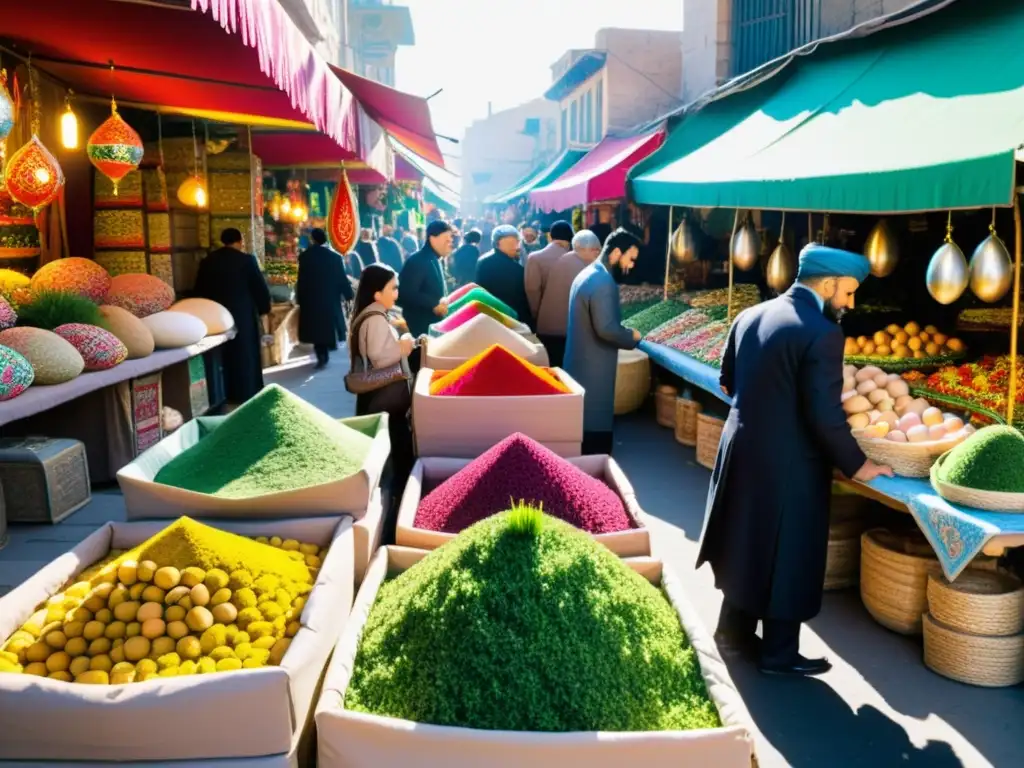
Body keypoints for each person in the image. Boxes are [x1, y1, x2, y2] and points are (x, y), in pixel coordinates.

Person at [698, 244, 893, 678]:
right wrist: (859, 466)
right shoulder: (822, 333)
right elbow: (824, 416)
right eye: (847, 292)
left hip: (742, 448)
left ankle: (731, 635)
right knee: (788, 550)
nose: (850, 303)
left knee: (747, 542)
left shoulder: (751, 315)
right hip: (789, 462)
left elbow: (728, 383)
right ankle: (779, 654)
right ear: (827, 284)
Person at [563, 228, 642, 455]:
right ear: (617, 252)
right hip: (594, 369)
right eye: (631, 258)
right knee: (595, 439)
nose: (632, 265)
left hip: (581, 363)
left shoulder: (588, 273)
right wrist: (632, 337)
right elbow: (606, 328)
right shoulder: (603, 281)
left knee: (583, 429)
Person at [349, 263, 416, 496]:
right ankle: (398, 492)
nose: (397, 293)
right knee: (396, 443)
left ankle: (396, 487)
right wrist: (405, 345)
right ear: (377, 293)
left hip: (378, 396)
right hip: (385, 396)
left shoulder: (371, 314)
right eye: (393, 288)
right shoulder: (375, 318)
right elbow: (380, 357)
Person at [193, 228, 272, 405]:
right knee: (244, 355)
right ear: (239, 241)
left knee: (220, 355)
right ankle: (245, 393)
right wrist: (264, 307)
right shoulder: (246, 261)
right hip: (241, 315)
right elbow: (259, 288)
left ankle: (220, 394)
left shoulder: (208, 261)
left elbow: (199, 289)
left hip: (214, 316)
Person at [536, 229, 601, 368]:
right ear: (585, 249)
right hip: (564, 332)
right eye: (595, 250)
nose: (597, 254)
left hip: (547, 328)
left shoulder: (565, 259)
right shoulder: (582, 267)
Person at [397, 219, 453, 370]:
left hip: (431, 328)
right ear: (432, 238)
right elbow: (404, 294)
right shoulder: (418, 260)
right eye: (446, 239)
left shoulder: (434, 258)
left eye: (451, 239)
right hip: (419, 328)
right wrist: (433, 304)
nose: (450, 243)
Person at [296, 228, 354, 370]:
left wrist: (300, 298)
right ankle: (327, 350)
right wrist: (348, 294)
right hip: (330, 298)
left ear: (312, 239)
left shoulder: (305, 257)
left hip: (311, 298)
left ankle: (321, 353)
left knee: (315, 327)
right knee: (328, 326)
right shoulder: (334, 257)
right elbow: (341, 277)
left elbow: (301, 280)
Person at [525, 220, 573, 360]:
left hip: (546, 323)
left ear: (550, 236)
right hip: (574, 324)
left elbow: (532, 291)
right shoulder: (578, 259)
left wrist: (536, 315)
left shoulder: (535, 258)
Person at [474, 224, 533, 328]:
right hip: (510, 318)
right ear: (497, 243)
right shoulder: (515, 268)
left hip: (489, 317)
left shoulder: (483, 261)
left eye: (516, 242)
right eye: (510, 243)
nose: (515, 247)